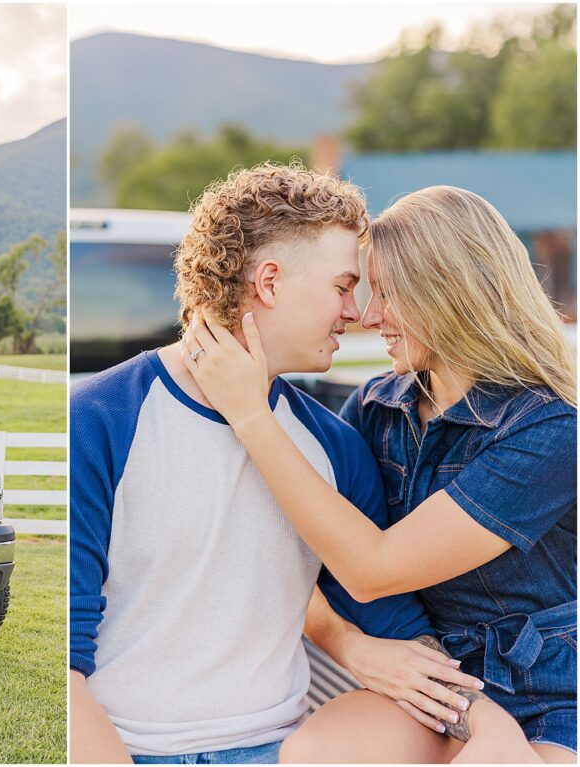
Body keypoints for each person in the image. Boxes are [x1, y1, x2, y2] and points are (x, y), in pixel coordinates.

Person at [70, 165, 531, 764]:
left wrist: (491, 728)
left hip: (284, 749)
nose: (357, 312)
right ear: (269, 282)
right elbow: (65, 656)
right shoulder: (100, 421)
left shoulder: (337, 445)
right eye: (343, 286)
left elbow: (396, 628)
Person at [182, 185, 576, 762]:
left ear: (451, 294)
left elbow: (371, 570)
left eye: (388, 295)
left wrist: (250, 413)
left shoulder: (549, 431)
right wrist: (352, 647)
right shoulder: (375, 409)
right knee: (313, 755)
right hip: (414, 675)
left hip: (546, 690)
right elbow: (304, 565)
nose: (369, 316)